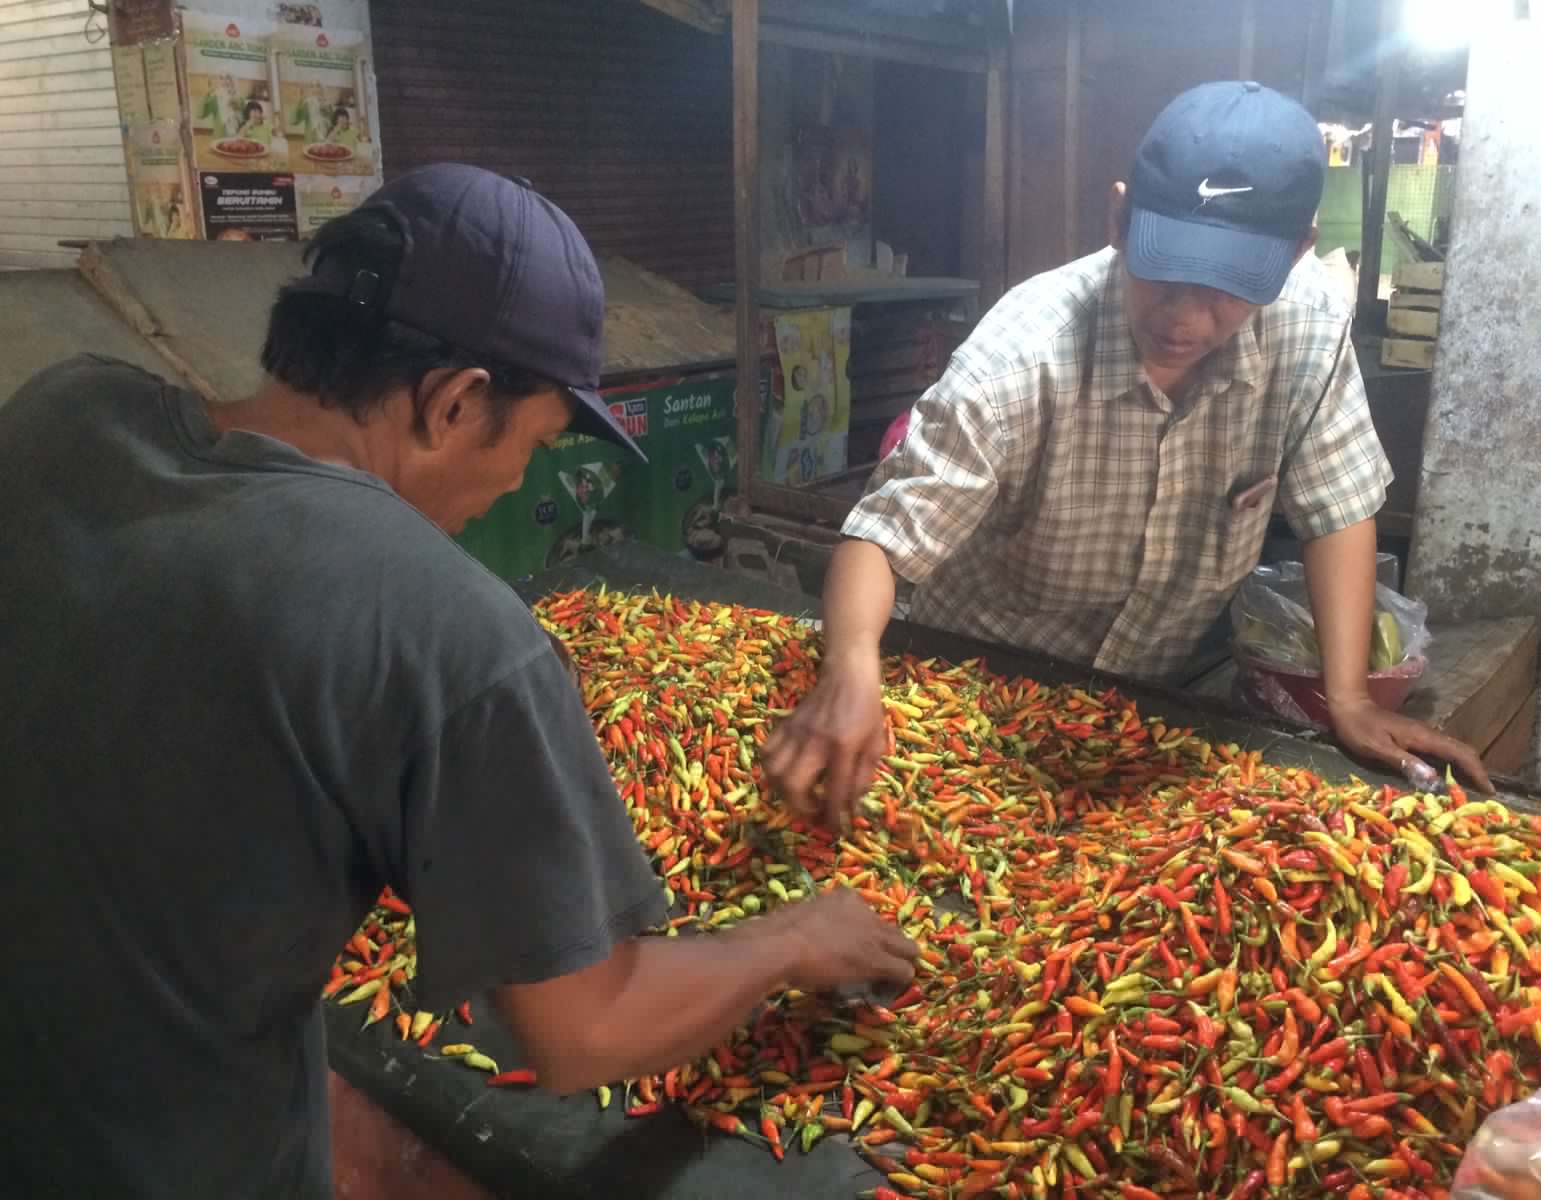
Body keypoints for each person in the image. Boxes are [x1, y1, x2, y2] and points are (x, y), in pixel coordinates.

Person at [0, 164, 916, 1199]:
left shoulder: (62, 411)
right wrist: (791, 938)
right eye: (534, 442)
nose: (520, 481)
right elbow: (585, 1029)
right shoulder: (450, 635)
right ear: (453, 402)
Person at [764, 82, 1490, 828]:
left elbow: (1336, 504)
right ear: (1119, 218)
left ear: (1295, 255)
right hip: (980, 686)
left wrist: (1349, 699)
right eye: (1163, 273)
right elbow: (882, 539)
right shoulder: (1023, 356)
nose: (1184, 317)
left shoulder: (1306, 330)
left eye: (1227, 290)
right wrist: (851, 666)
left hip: (1151, 710)